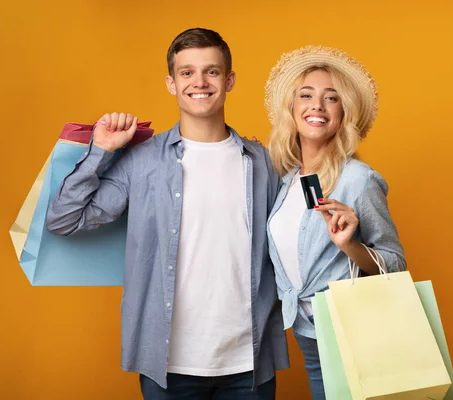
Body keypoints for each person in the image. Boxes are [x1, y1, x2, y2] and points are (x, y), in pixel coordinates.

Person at [46, 28, 288, 399]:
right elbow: (64, 220)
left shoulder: (264, 162)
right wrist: (101, 151)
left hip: (250, 360)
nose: (200, 82)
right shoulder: (141, 161)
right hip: (168, 364)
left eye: (212, 71)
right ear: (172, 83)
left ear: (229, 80)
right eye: (187, 72)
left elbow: (291, 243)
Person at [264, 46, 407, 399]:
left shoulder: (358, 179)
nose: (317, 105)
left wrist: (350, 245)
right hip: (307, 329)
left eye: (332, 98)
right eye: (306, 95)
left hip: (352, 329)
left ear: (343, 113)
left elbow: (397, 263)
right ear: (291, 108)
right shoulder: (287, 180)